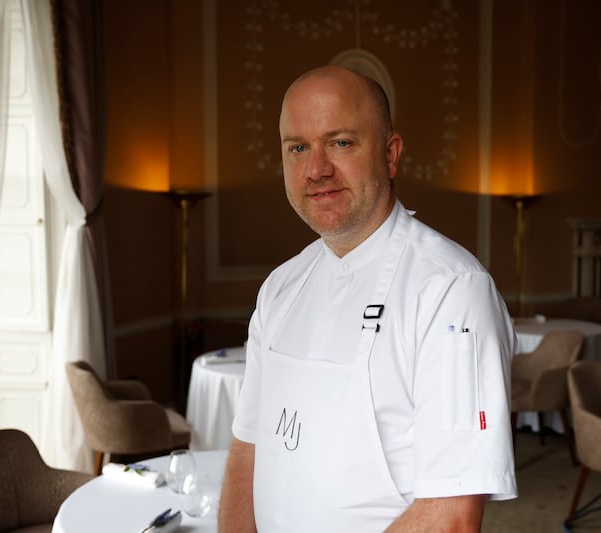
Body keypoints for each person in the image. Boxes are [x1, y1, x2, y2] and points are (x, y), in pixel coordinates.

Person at [218, 65, 517, 533]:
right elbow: (248, 448)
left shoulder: (452, 291)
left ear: (391, 154)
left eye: (340, 142)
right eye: (298, 147)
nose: (316, 169)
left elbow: (452, 518)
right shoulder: (279, 287)